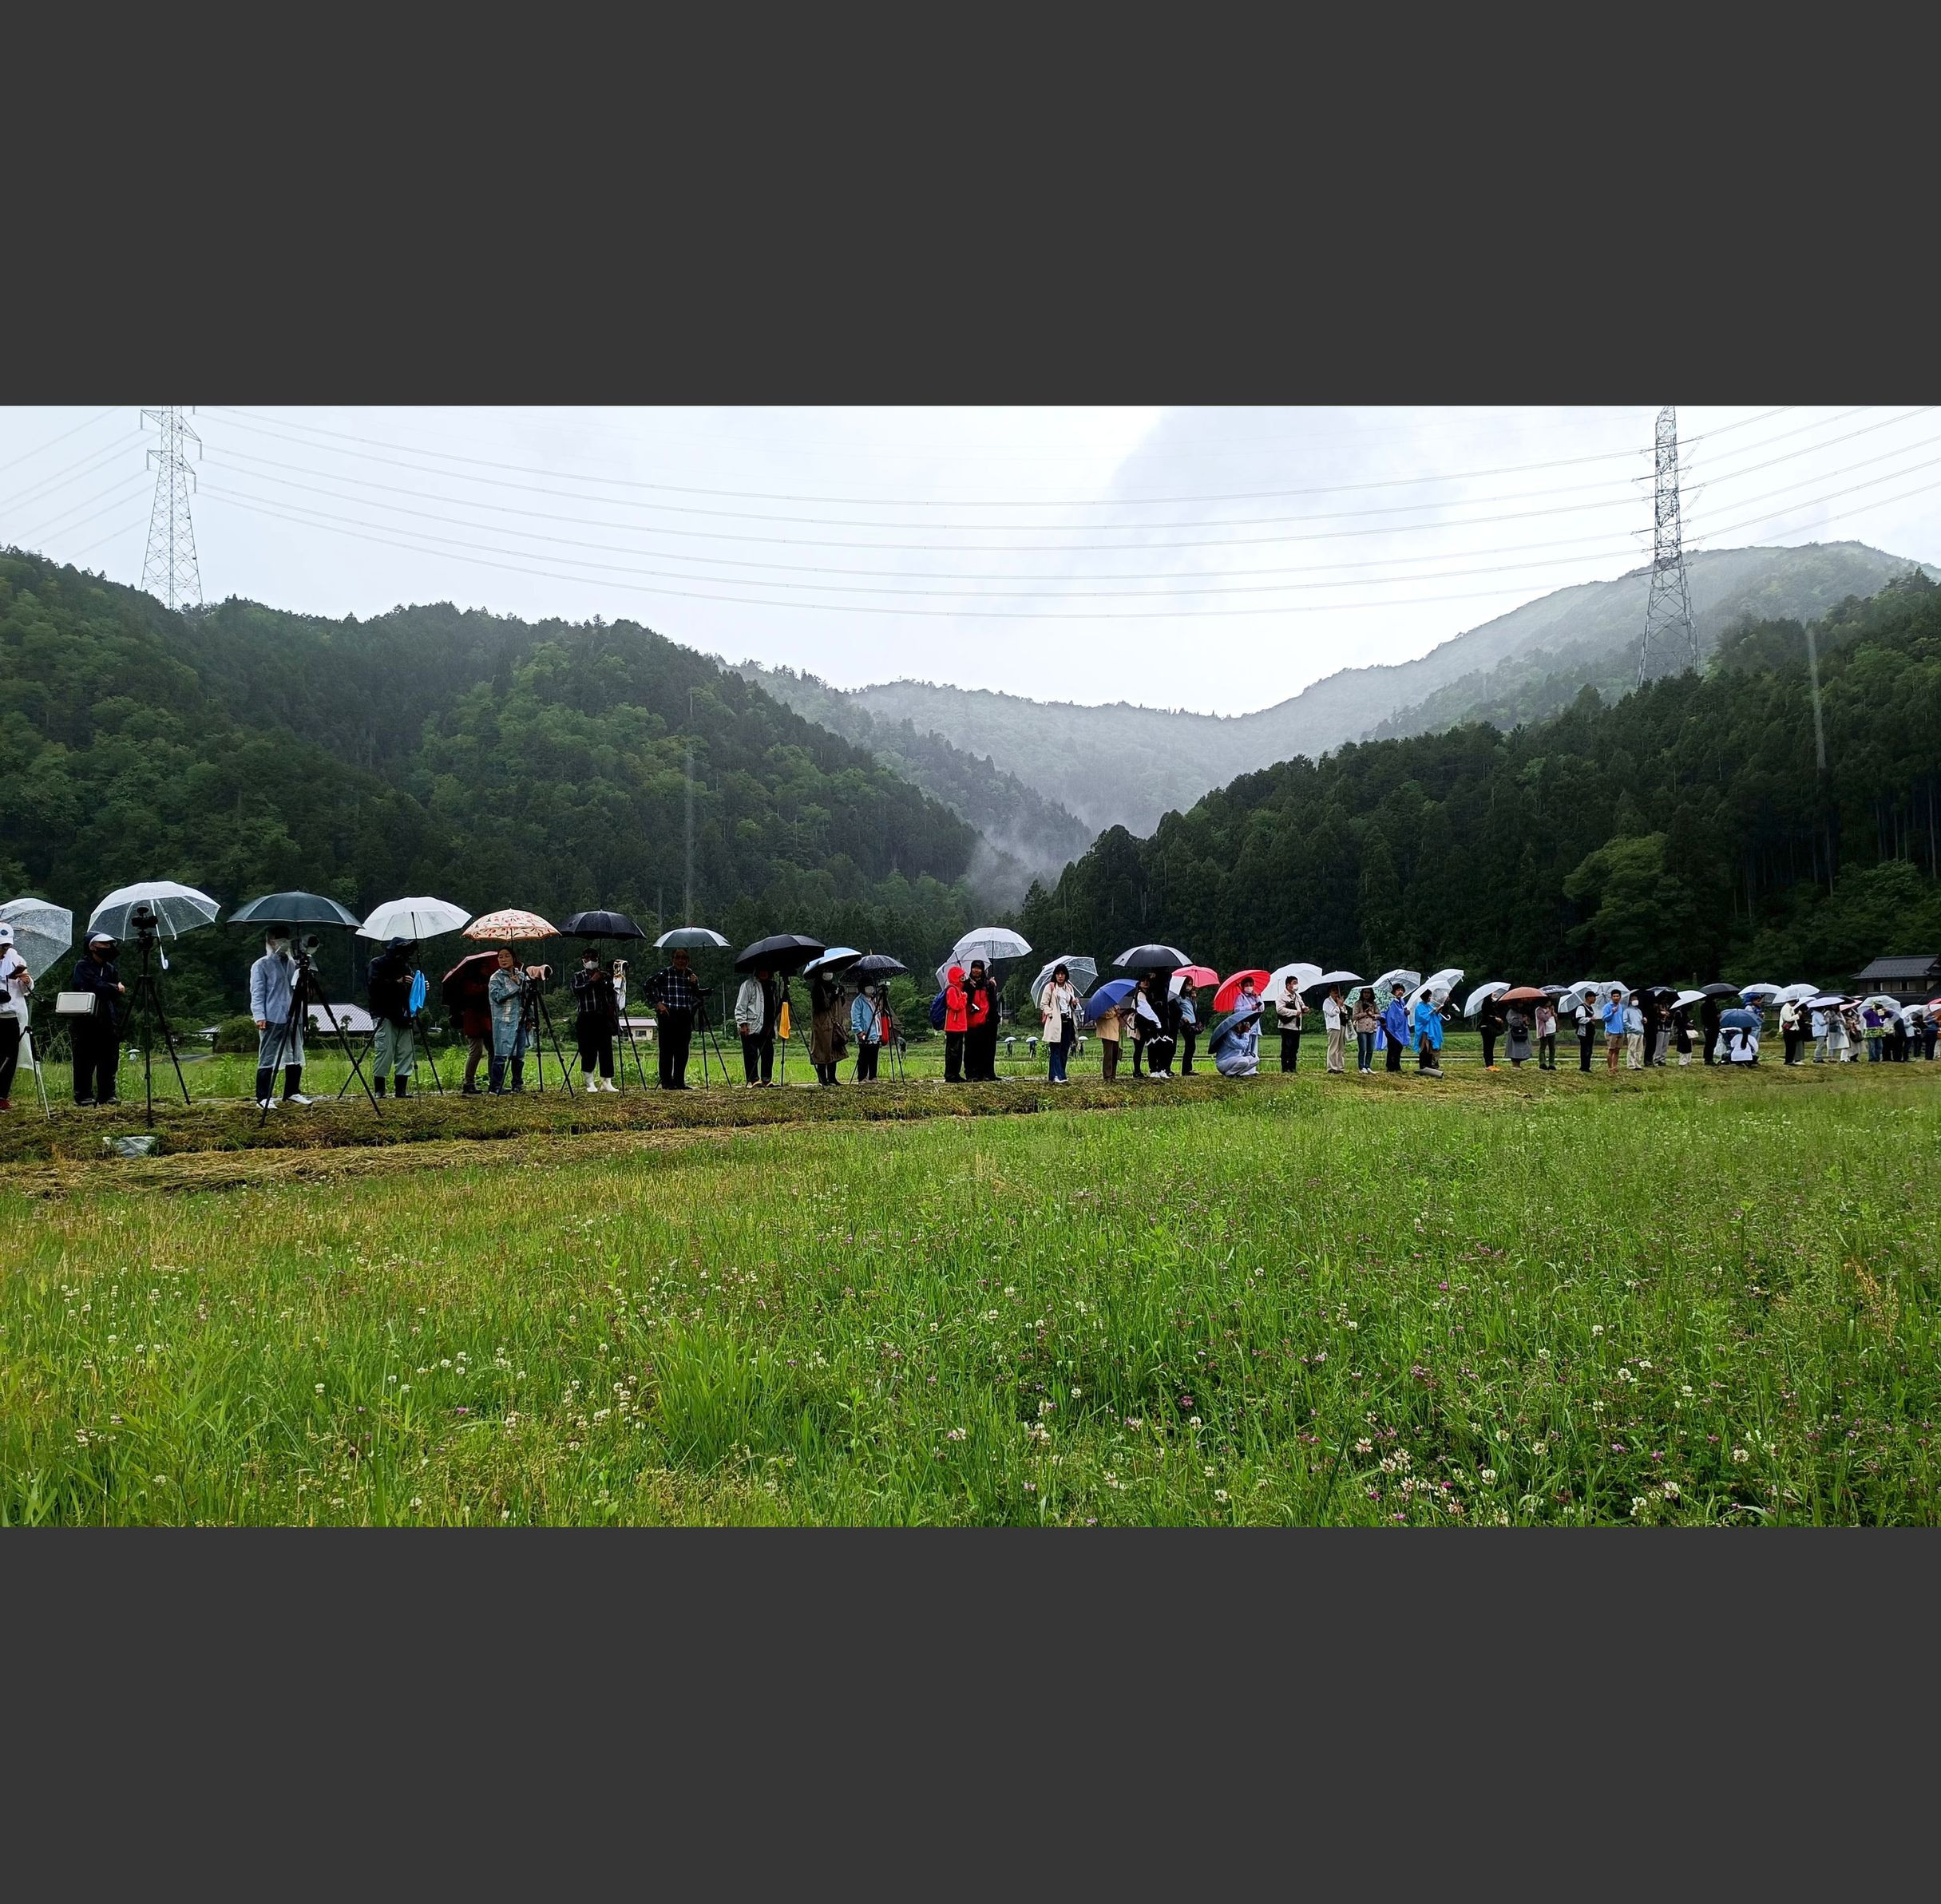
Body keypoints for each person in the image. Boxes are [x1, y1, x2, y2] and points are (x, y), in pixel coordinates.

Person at [248, 927, 308, 1110]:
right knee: (268, 1055)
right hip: (272, 1015)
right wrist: (259, 1016)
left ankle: (292, 1091)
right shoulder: (261, 965)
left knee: (295, 1053)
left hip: (293, 1014)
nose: (283, 943)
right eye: (278, 939)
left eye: (285, 939)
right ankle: (263, 1096)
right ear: (270, 942)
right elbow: (257, 992)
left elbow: (299, 989)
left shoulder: (292, 964)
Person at [366, 936, 418, 1099]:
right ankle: (380, 1090)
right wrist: (397, 982)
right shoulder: (377, 963)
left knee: (406, 1051)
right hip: (384, 1013)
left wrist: (419, 986)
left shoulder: (406, 967)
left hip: (404, 1014)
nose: (406, 954)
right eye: (403, 950)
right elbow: (373, 985)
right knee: (384, 1051)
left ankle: (401, 1090)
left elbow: (411, 990)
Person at [647, 944, 704, 1089]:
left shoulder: (690, 975)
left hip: (684, 1014)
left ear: (688, 960)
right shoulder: (665, 973)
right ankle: (666, 1081)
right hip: (668, 1014)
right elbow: (647, 985)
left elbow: (696, 995)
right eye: (677, 957)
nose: (681, 961)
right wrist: (657, 1003)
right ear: (672, 959)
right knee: (667, 1049)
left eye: (684, 958)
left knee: (682, 1050)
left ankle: (679, 1081)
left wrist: (694, 984)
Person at [571, 950, 621, 1091]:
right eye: (587, 958)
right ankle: (590, 1083)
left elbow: (612, 994)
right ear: (583, 960)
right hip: (586, 1016)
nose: (590, 960)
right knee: (588, 1050)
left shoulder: (605, 976)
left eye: (593, 957)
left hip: (603, 1016)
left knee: (606, 1049)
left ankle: (607, 1082)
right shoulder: (578, 976)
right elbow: (576, 991)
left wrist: (605, 981)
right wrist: (592, 981)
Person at [486, 948, 533, 1093]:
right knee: (501, 1054)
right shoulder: (496, 978)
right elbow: (497, 996)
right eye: (500, 957)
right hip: (503, 1021)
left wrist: (530, 1017)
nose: (503, 959)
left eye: (507, 956)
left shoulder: (521, 976)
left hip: (520, 1019)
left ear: (514, 959)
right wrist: (512, 985)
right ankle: (496, 1086)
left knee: (519, 1055)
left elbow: (528, 998)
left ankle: (517, 1084)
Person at [0, 924, 30, 1111]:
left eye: (6, 946)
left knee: (10, 1056)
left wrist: (27, 981)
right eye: (1, 946)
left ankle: (3, 1095)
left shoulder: (16, 959)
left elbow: (25, 990)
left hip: (11, 1014)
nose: (4, 950)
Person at [735, 964, 775, 1086]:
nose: (764, 973)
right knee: (751, 1054)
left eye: (766, 970)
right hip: (751, 1024)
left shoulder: (772, 986)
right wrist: (742, 1023)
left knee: (768, 1052)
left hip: (767, 1024)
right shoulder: (748, 985)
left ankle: (766, 1079)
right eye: (761, 970)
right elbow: (741, 1006)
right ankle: (753, 1080)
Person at [1039, 965, 1079, 1084]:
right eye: (1058, 974)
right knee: (1055, 1049)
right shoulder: (1050, 987)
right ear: (1055, 975)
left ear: (1066, 975)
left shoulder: (1069, 988)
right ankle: (1056, 1075)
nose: (1060, 976)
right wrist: (1051, 1013)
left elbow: (1071, 1006)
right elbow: (1043, 1004)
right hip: (1056, 1021)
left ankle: (1060, 1074)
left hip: (1067, 1021)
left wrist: (1074, 1003)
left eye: (1062, 974)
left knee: (1065, 1049)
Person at [963, 958, 1001, 1082]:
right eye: (974, 968)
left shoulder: (988, 985)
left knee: (987, 1048)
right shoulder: (967, 984)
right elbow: (965, 1001)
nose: (976, 970)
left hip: (987, 1021)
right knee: (971, 1049)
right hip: (971, 1021)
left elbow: (993, 1003)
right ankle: (972, 1074)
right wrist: (970, 988)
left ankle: (987, 1073)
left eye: (979, 968)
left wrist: (993, 986)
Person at [850, 983, 885, 1082]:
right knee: (864, 1056)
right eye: (868, 987)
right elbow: (855, 1018)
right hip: (865, 1032)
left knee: (874, 1056)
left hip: (876, 1032)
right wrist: (859, 1031)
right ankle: (862, 1077)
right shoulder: (858, 1002)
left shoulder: (874, 1000)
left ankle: (873, 1076)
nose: (870, 989)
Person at [942, 964, 970, 1083]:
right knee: (953, 1051)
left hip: (959, 1026)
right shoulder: (952, 990)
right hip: (953, 1026)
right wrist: (964, 997)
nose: (963, 978)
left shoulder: (958, 989)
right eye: (960, 976)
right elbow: (956, 1006)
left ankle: (956, 1073)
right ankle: (950, 1074)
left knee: (958, 1052)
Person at [1215, 1005, 1260, 1078]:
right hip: (1224, 1062)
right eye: (1242, 1025)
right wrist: (1246, 1033)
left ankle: (1238, 1073)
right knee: (1244, 1061)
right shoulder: (1229, 1035)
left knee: (1255, 1059)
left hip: (1236, 1060)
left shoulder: (1239, 1034)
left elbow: (1246, 1050)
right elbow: (1242, 1045)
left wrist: (1244, 1034)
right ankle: (1230, 1073)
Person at [1411, 987, 1444, 1077]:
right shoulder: (1419, 1007)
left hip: (1432, 1030)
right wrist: (1430, 1013)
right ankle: (1423, 1066)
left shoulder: (1430, 1005)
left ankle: (1429, 1066)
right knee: (1424, 1048)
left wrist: (1437, 1012)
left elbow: (1436, 1017)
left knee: (1430, 1049)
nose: (1430, 998)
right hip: (1424, 1032)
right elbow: (1422, 1018)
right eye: (1429, 996)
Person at [1277, 976, 1306, 1072]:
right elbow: (1280, 1010)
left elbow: (1301, 1005)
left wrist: (1304, 1009)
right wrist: (1294, 1012)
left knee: (1294, 1048)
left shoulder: (1297, 996)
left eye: (1297, 983)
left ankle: (1292, 1067)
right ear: (1288, 985)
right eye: (1294, 983)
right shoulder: (1282, 996)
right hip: (1286, 1026)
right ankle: (1285, 1068)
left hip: (1296, 1026)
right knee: (1286, 1047)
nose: (1296, 985)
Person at [1381, 981, 1409, 1074]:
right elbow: (1383, 1011)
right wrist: (1383, 1021)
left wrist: (1406, 1012)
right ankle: (1390, 1067)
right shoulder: (1388, 1000)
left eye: (1402, 990)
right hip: (1390, 1028)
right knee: (1393, 1046)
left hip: (1400, 1028)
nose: (1400, 992)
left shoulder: (1402, 1001)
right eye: (1398, 990)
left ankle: (1396, 1066)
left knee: (1399, 1047)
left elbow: (1403, 1011)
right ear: (1394, 992)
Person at [1094, 993, 1123, 1083]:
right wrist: (1114, 1012)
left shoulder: (1114, 1004)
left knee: (1115, 1054)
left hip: (1115, 1031)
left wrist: (1117, 1013)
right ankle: (1107, 1075)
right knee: (1108, 1054)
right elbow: (1104, 1014)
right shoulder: (1100, 1004)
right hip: (1106, 1031)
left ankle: (1113, 1075)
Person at [1350, 986, 1379, 1075]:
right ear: (1362, 993)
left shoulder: (1374, 1004)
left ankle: (1368, 1065)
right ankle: (1361, 1066)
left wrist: (1372, 1015)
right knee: (1363, 1048)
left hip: (1372, 1028)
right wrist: (1365, 1013)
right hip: (1361, 1028)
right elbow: (1354, 1017)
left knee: (1371, 1049)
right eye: (1365, 992)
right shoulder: (1358, 1004)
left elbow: (1378, 1015)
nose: (1366, 994)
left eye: (1368, 992)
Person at [1175, 980, 1200, 1076]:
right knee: (1190, 1046)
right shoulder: (1179, 998)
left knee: (1192, 1046)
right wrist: (1183, 1017)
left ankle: (1188, 1069)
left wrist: (1194, 1000)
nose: (1189, 986)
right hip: (1186, 1024)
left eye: (1191, 984)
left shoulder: (1189, 998)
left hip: (1193, 1023)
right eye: (1188, 984)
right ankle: (1186, 1070)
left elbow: (1194, 1010)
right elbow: (1176, 1009)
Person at [1322, 984, 1347, 1075]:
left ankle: (1340, 1067)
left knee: (1341, 1048)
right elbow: (1331, 1013)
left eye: (1337, 990)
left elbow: (1345, 1012)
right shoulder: (1327, 1002)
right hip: (1333, 1026)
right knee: (1333, 1047)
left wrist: (1342, 1005)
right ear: (1330, 992)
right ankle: (1332, 1067)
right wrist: (1338, 1005)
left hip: (1342, 1025)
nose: (1336, 992)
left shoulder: (1339, 1001)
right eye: (1333, 990)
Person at [1602, 987, 1627, 1075]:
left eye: (1617, 996)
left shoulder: (1621, 1006)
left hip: (1620, 1031)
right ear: (1611, 997)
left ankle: (1615, 1066)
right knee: (1611, 1050)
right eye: (1614, 996)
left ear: (1620, 997)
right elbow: (1604, 1019)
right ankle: (1610, 1068)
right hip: (1611, 1031)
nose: (1616, 998)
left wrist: (1623, 1028)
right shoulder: (1607, 1006)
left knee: (1617, 1050)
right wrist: (1612, 1012)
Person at [1478, 993, 1506, 1072]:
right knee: (1487, 1046)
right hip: (1486, 1027)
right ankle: (1488, 1064)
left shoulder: (1493, 1005)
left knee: (1491, 1046)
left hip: (1491, 1027)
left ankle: (1491, 1064)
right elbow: (1486, 1016)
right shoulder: (1486, 1005)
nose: (1495, 994)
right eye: (1493, 994)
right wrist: (1495, 1019)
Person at [1505, 1000, 1532, 1068]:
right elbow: (1512, 1022)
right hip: (1514, 1033)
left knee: (1521, 1049)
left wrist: (1527, 1020)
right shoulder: (1511, 1012)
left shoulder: (1522, 1011)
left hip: (1522, 1033)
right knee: (1514, 1049)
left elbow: (1527, 1022)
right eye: (1519, 1003)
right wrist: (1522, 1020)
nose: (1521, 1004)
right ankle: (1515, 1064)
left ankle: (1518, 1064)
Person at [1576, 992, 1598, 1073]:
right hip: (1584, 1032)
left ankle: (1587, 1066)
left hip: (1590, 1032)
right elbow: (1579, 1019)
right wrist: (1590, 1019)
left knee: (1589, 1050)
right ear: (1588, 998)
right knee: (1585, 1049)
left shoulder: (1590, 1008)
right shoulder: (1581, 1007)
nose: (1595, 999)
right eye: (1594, 997)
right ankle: (1584, 1067)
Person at [1535, 997, 1558, 1071]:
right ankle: (1542, 1063)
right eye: (1548, 1002)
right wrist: (1550, 1012)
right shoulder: (1539, 1010)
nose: (1549, 1003)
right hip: (1545, 1032)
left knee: (1552, 1048)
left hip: (1552, 1030)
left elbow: (1554, 1017)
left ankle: (1551, 1064)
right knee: (1543, 1048)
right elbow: (1544, 1018)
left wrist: (1554, 1014)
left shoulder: (1550, 1009)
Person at [1779, 997, 1802, 1067]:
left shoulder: (1790, 1008)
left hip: (1792, 1029)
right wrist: (1798, 1015)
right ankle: (1788, 1061)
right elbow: (1788, 1019)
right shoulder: (1786, 1008)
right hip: (1788, 1030)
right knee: (1789, 1046)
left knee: (1792, 1046)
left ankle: (1790, 1060)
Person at [1700, 993, 1722, 1066]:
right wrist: (1718, 1016)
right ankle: (1709, 1059)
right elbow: (1714, 1016)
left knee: (1708, 1043)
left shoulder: (1703, 1006)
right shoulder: (1712, 1006)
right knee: (1712, 1043)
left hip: (1707, 1026)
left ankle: (1707, 1058)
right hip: (1713, 1026)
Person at [1672, 1003, 1693, 1067]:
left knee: (1688, 1046)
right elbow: (1678, 1023)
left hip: (1686, 1031)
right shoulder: (1679, 1013)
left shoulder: (1685, 1013)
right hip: (1682, 1032)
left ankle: (1687, 1060)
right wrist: (1686, 1024)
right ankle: (1682, 1062)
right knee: (1684, 1047)